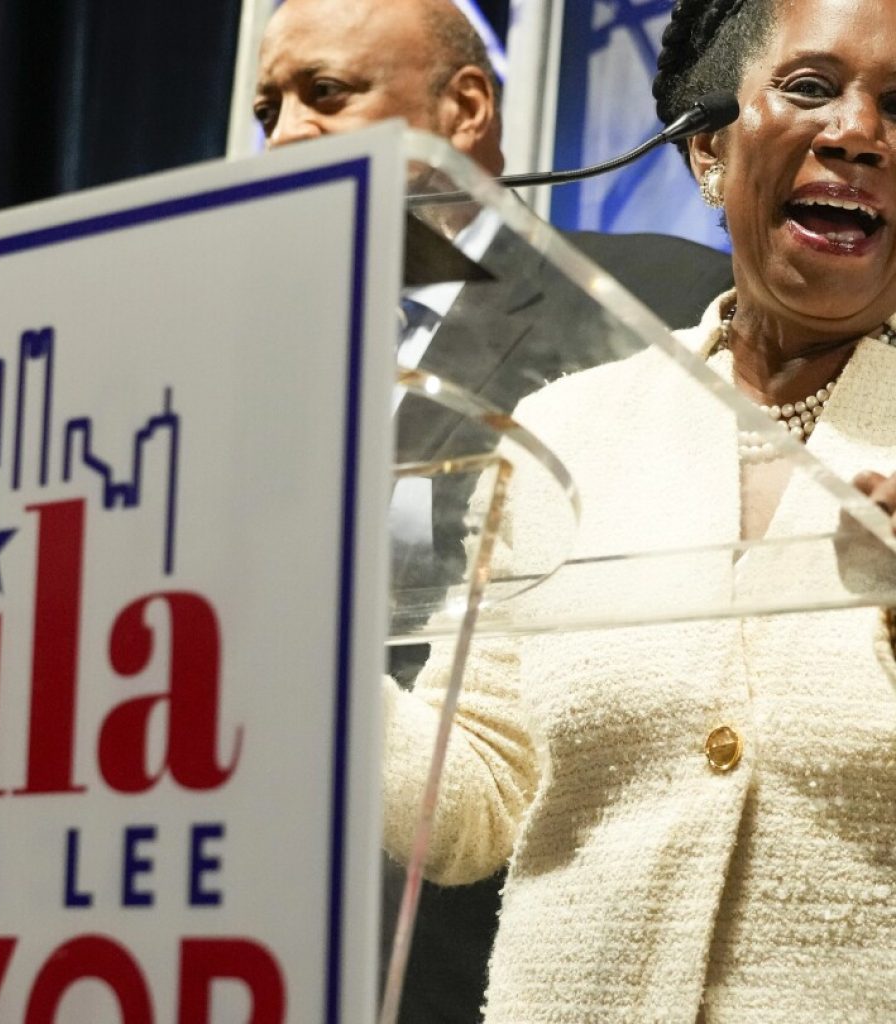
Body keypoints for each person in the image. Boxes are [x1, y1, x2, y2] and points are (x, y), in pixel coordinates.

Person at [383, 0, 896, 1020]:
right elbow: (468, 803)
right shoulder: (566, 431)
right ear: (709, 149)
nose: (856, 133)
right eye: (808, 89)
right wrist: (272, 660)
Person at [256, 3, 736, 1024]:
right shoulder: (252, 366)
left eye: (324, 95)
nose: (283, 136)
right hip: (249, 915)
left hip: (479, 944)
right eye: (267, 108)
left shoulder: (646, 300)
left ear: (465, 106)